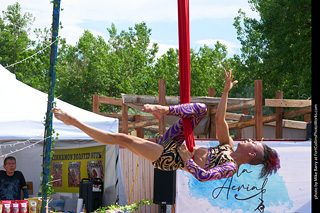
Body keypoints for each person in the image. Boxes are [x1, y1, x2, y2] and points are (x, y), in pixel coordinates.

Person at [52, 69, 280, 182]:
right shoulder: (228, 145)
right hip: (178, 143)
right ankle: (164, 110)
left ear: (251, 154)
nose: (249, 139)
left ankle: (73, 122)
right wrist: (225, 91)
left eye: (253, 144)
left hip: (171, 159)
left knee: (124, 139)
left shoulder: (229, 167)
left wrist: (188, 160)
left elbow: (202, 176)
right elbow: (219, 119)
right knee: (201, 108)